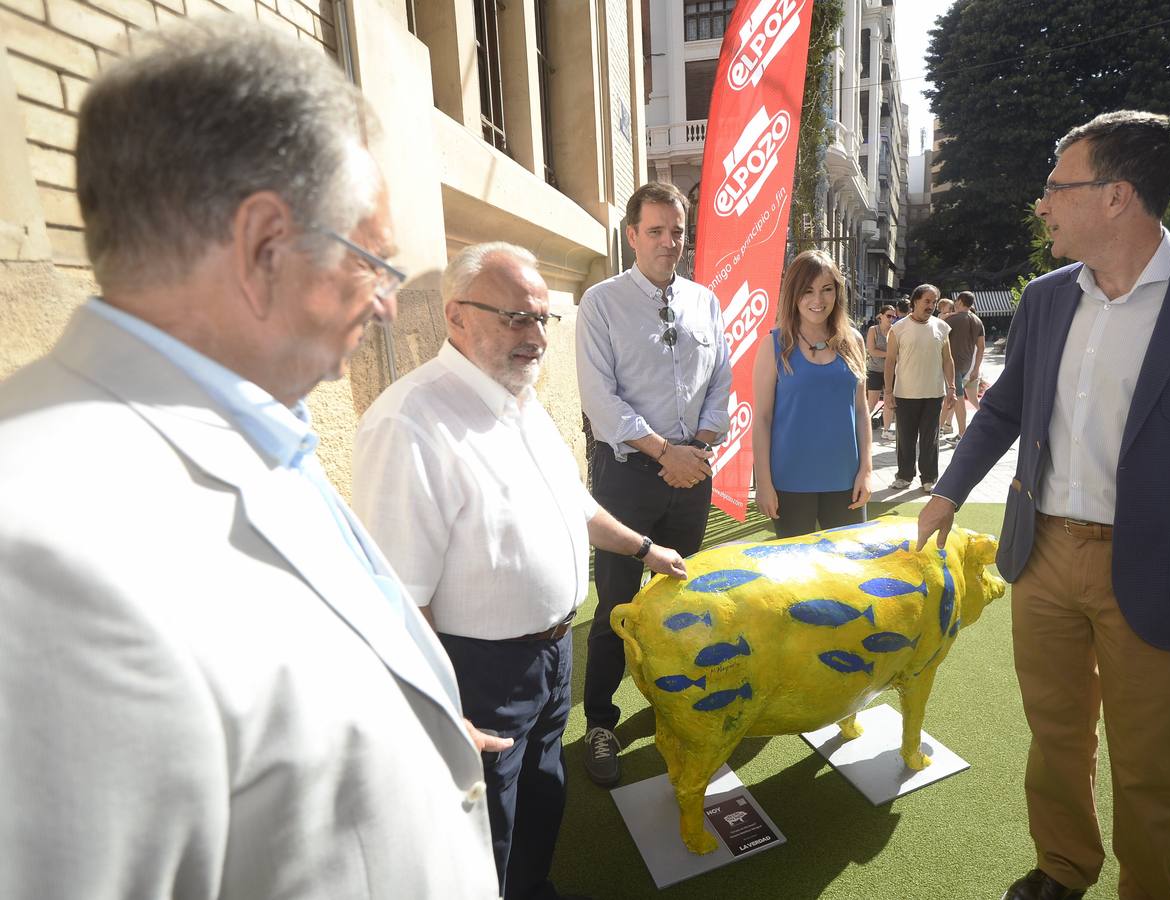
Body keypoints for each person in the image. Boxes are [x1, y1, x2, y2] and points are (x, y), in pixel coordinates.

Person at [0, 18, 502, 899]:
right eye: (372, 261)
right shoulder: (40, 561)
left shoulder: (254, 421)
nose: (388, 305)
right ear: (265, 244)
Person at [915, 111, 1170, 900]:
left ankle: (1150, 889)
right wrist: (947, 492)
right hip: (1044, 553)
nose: (1041, 203)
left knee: (1152, 759)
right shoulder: (1048, 298)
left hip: (1163, 567)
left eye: (1056, 186)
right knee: (1055, 735)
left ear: (1117, 195)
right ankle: (1063, 868)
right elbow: (1003, 407)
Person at [353, 243, 686, 899]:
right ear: (456, 316)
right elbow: (396, 595)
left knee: (541, 796)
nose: (534, 337)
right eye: (515, 318)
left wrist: (643, 549)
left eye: (541, 319)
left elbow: (576, 505)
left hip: (555, 651)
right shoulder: (409, 420)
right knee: (483, 830)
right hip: (477, 672)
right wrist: (443, 708)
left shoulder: (521, 398)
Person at [576, 182, 733, 785]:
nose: (669, 242)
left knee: (683, 602)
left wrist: (699, 447)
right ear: (632, 235)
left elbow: (720, 379)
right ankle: (599, 722)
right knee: (616, 607)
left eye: (677, 231)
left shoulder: (705, 301)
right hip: (627, 479)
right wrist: (663, 450)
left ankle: (680, 710)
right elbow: (600, 397)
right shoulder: (601, 303)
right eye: (656, 231)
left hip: (690, 474)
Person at [751, 250, 872, 538]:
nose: (818, 300)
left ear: (837, 293)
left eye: (826, 290)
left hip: (845, 481)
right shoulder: (774, 346)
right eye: (808, 291)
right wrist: (764, 484)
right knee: (796, 577)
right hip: (789, 484)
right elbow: (762, 419)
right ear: (793, 294)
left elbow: (861, 410)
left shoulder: (853, 341)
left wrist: (866, 471)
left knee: (849, 569)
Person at [883, 284, 956, 493]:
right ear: (915, 301)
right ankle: (904, 476)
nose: (931, 306)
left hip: (934, 392)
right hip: (905, 393)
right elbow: (889, 361)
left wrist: (951, 387)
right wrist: (888, 392)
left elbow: (948, 359)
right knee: (905, 438)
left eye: (934, 302)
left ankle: (930, 478)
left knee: (930, 438)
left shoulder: (942, 327)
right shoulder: (898, 328)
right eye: (927, 301)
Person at [939, 290, 986, 443]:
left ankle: (961, 434)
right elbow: (981, 347)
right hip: (967, 365)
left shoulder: (952, 320)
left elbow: (937, 336)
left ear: (959, 301)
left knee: (958, 399)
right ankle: (941, 428)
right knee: (955, 399)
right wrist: (976, 368)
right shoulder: (978, 321)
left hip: (953, 365)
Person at [866, 303, 898, 442]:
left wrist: (890, 356)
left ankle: (886, 430)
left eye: (893, 316)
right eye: (888, 316)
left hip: (891, 371)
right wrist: (890, 355)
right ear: (881, 316)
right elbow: (871, 350)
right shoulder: (874, 330)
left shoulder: (895, 330)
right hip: (875, 370)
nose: (891, 319)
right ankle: (860, 427)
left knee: (889, 401)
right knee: (872, 402)